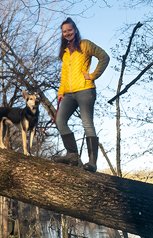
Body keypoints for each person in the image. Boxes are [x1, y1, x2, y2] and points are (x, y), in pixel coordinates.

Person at [54, 17, 110, 172]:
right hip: (69, 94)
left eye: (69, 30)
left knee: (87, 123)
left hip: (85, 90)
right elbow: (64, 75)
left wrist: (93, 75)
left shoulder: (85, 45)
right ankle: (72, 155)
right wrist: (60, 92)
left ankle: (92, 163)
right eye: (64, 31)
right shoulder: (65, 53)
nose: (67, 33)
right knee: (60, 120)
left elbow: (104, 57)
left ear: (75, 30)